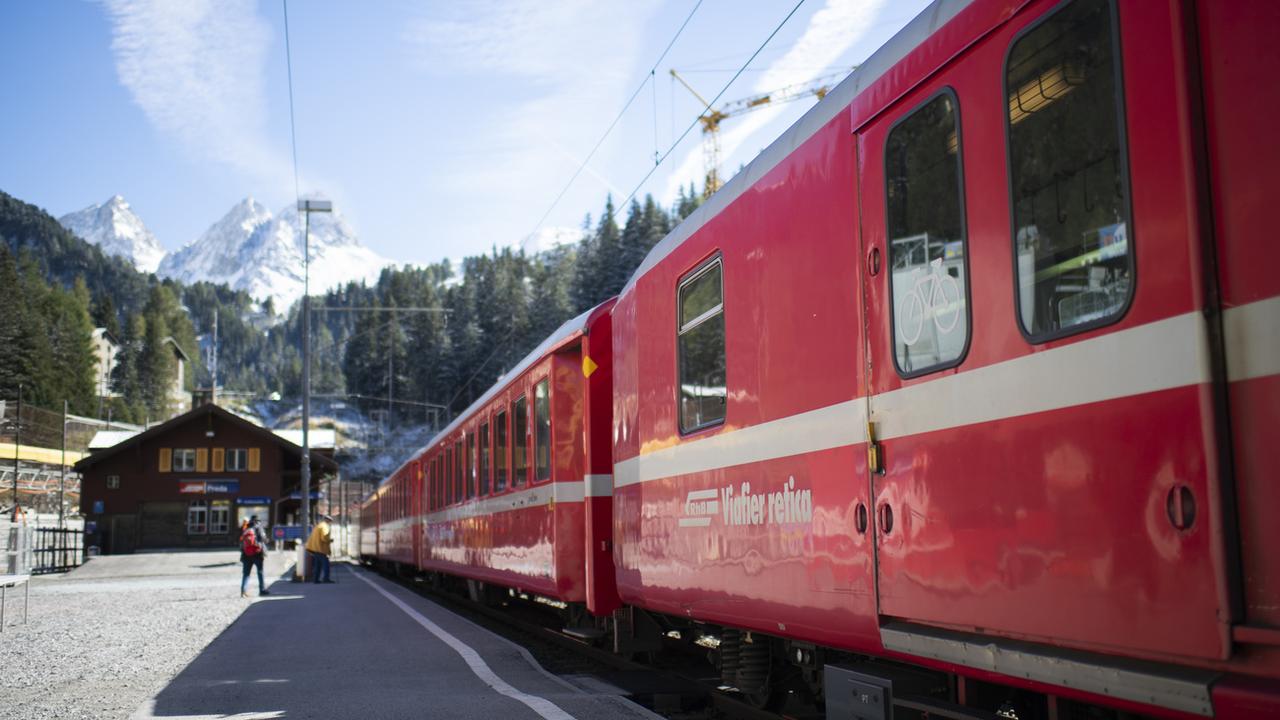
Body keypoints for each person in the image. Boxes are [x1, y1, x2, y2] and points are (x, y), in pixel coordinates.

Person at [240, 516, 270, 597]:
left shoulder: (246, 528)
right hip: (257, 554)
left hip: (246, 554)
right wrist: (267, 541)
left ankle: (243, 591)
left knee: (246, 574)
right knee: (260, 572)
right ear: (257, 521)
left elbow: (242, 542)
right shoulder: (259, 527)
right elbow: (264, 538)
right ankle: (262, 590)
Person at [305, 514, 334, 583]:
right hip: (320, 549)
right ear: (328, 520)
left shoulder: (319, 526)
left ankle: (316, 579)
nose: (330, 523)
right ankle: (326, 579)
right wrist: (330, 540)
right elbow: (324, 537)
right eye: (330, 521)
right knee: (326, 564)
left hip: (314, 548)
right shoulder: (325, 527)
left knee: (318, 565)